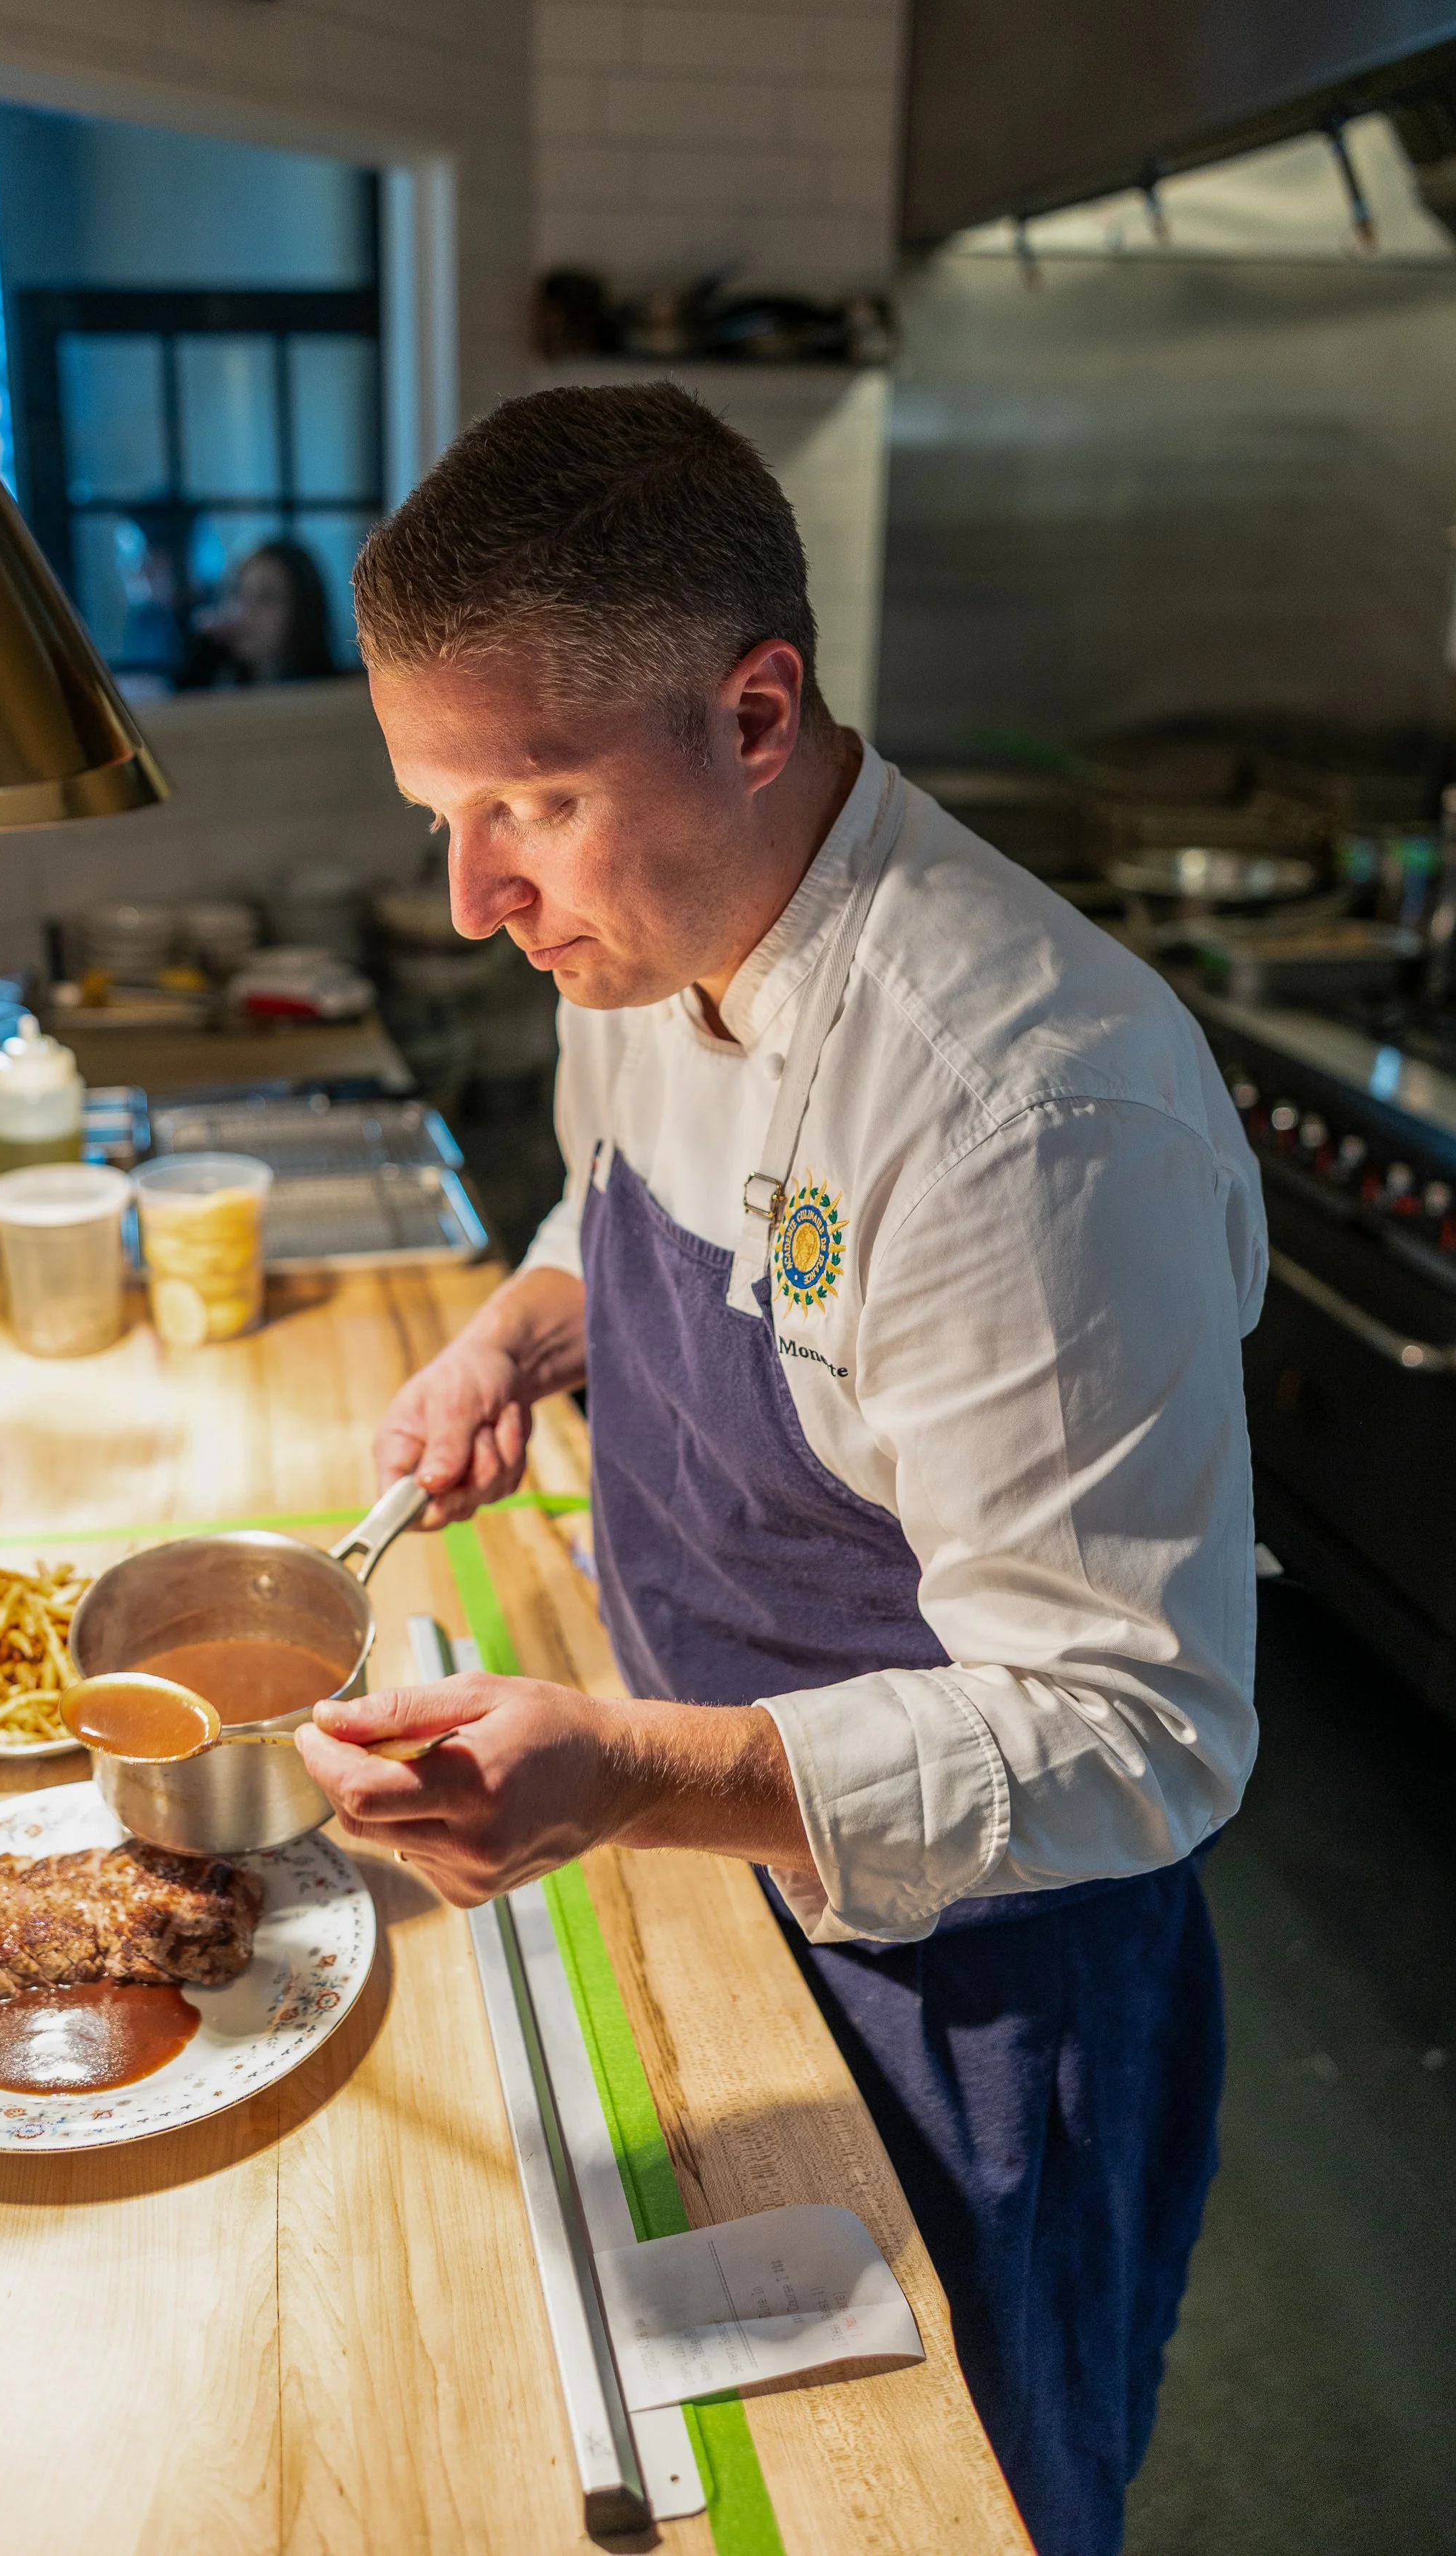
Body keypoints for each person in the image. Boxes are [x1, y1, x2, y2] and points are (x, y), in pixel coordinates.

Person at [296, 382, 1265, 2556]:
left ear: (753, 714)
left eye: (523, 801)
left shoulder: (1025, 1110)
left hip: (980, 1977)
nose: (472, 898)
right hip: (717, 1834)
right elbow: (621, 1206)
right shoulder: (633, 930)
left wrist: (621, 1770)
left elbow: (1137, 1723)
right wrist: (510, 1331)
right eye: (440, 810)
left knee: (940, 2489)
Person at [178, 537, 338, 689]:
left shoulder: (344, 692)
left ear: (302, 611)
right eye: (238, 593)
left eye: (267, 597)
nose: (245, 610)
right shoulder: (220, 685)